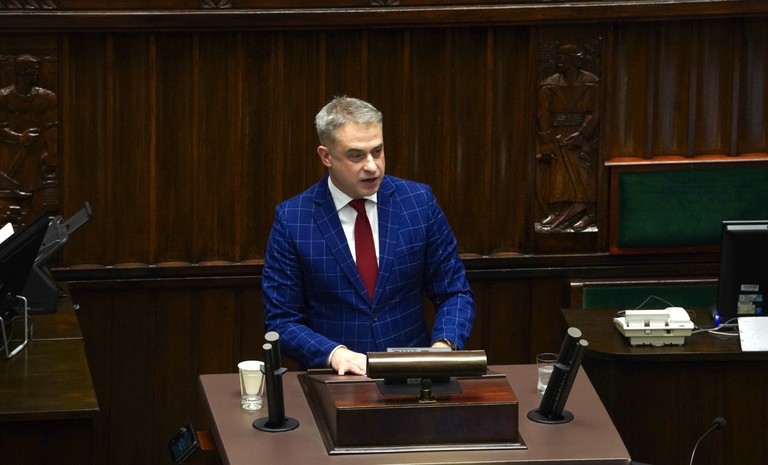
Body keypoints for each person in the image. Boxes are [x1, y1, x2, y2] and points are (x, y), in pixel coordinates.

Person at [262, 96, 475, 375]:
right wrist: (334, 354)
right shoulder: (293, 219)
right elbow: (282, 321)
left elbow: (454, 292)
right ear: (326, 156)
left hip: (413, 376)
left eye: (377, 151)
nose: (372, 166)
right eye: (356, 155)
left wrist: (443, 348)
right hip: (334, 379)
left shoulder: (419, 202)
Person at [536, 44, 599, 232]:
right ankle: (559, 210)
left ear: (574, 60)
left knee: (583, 170)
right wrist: (546, 142)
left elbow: (595, 112)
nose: (559, 61)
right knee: (558, 173)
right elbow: (543, 115)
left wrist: (582, 134)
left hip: (581, 135)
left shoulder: (590, 83)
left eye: (563, 57)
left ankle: (589, 212)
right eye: (558, 57)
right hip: (557, 134)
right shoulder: (549, 86)